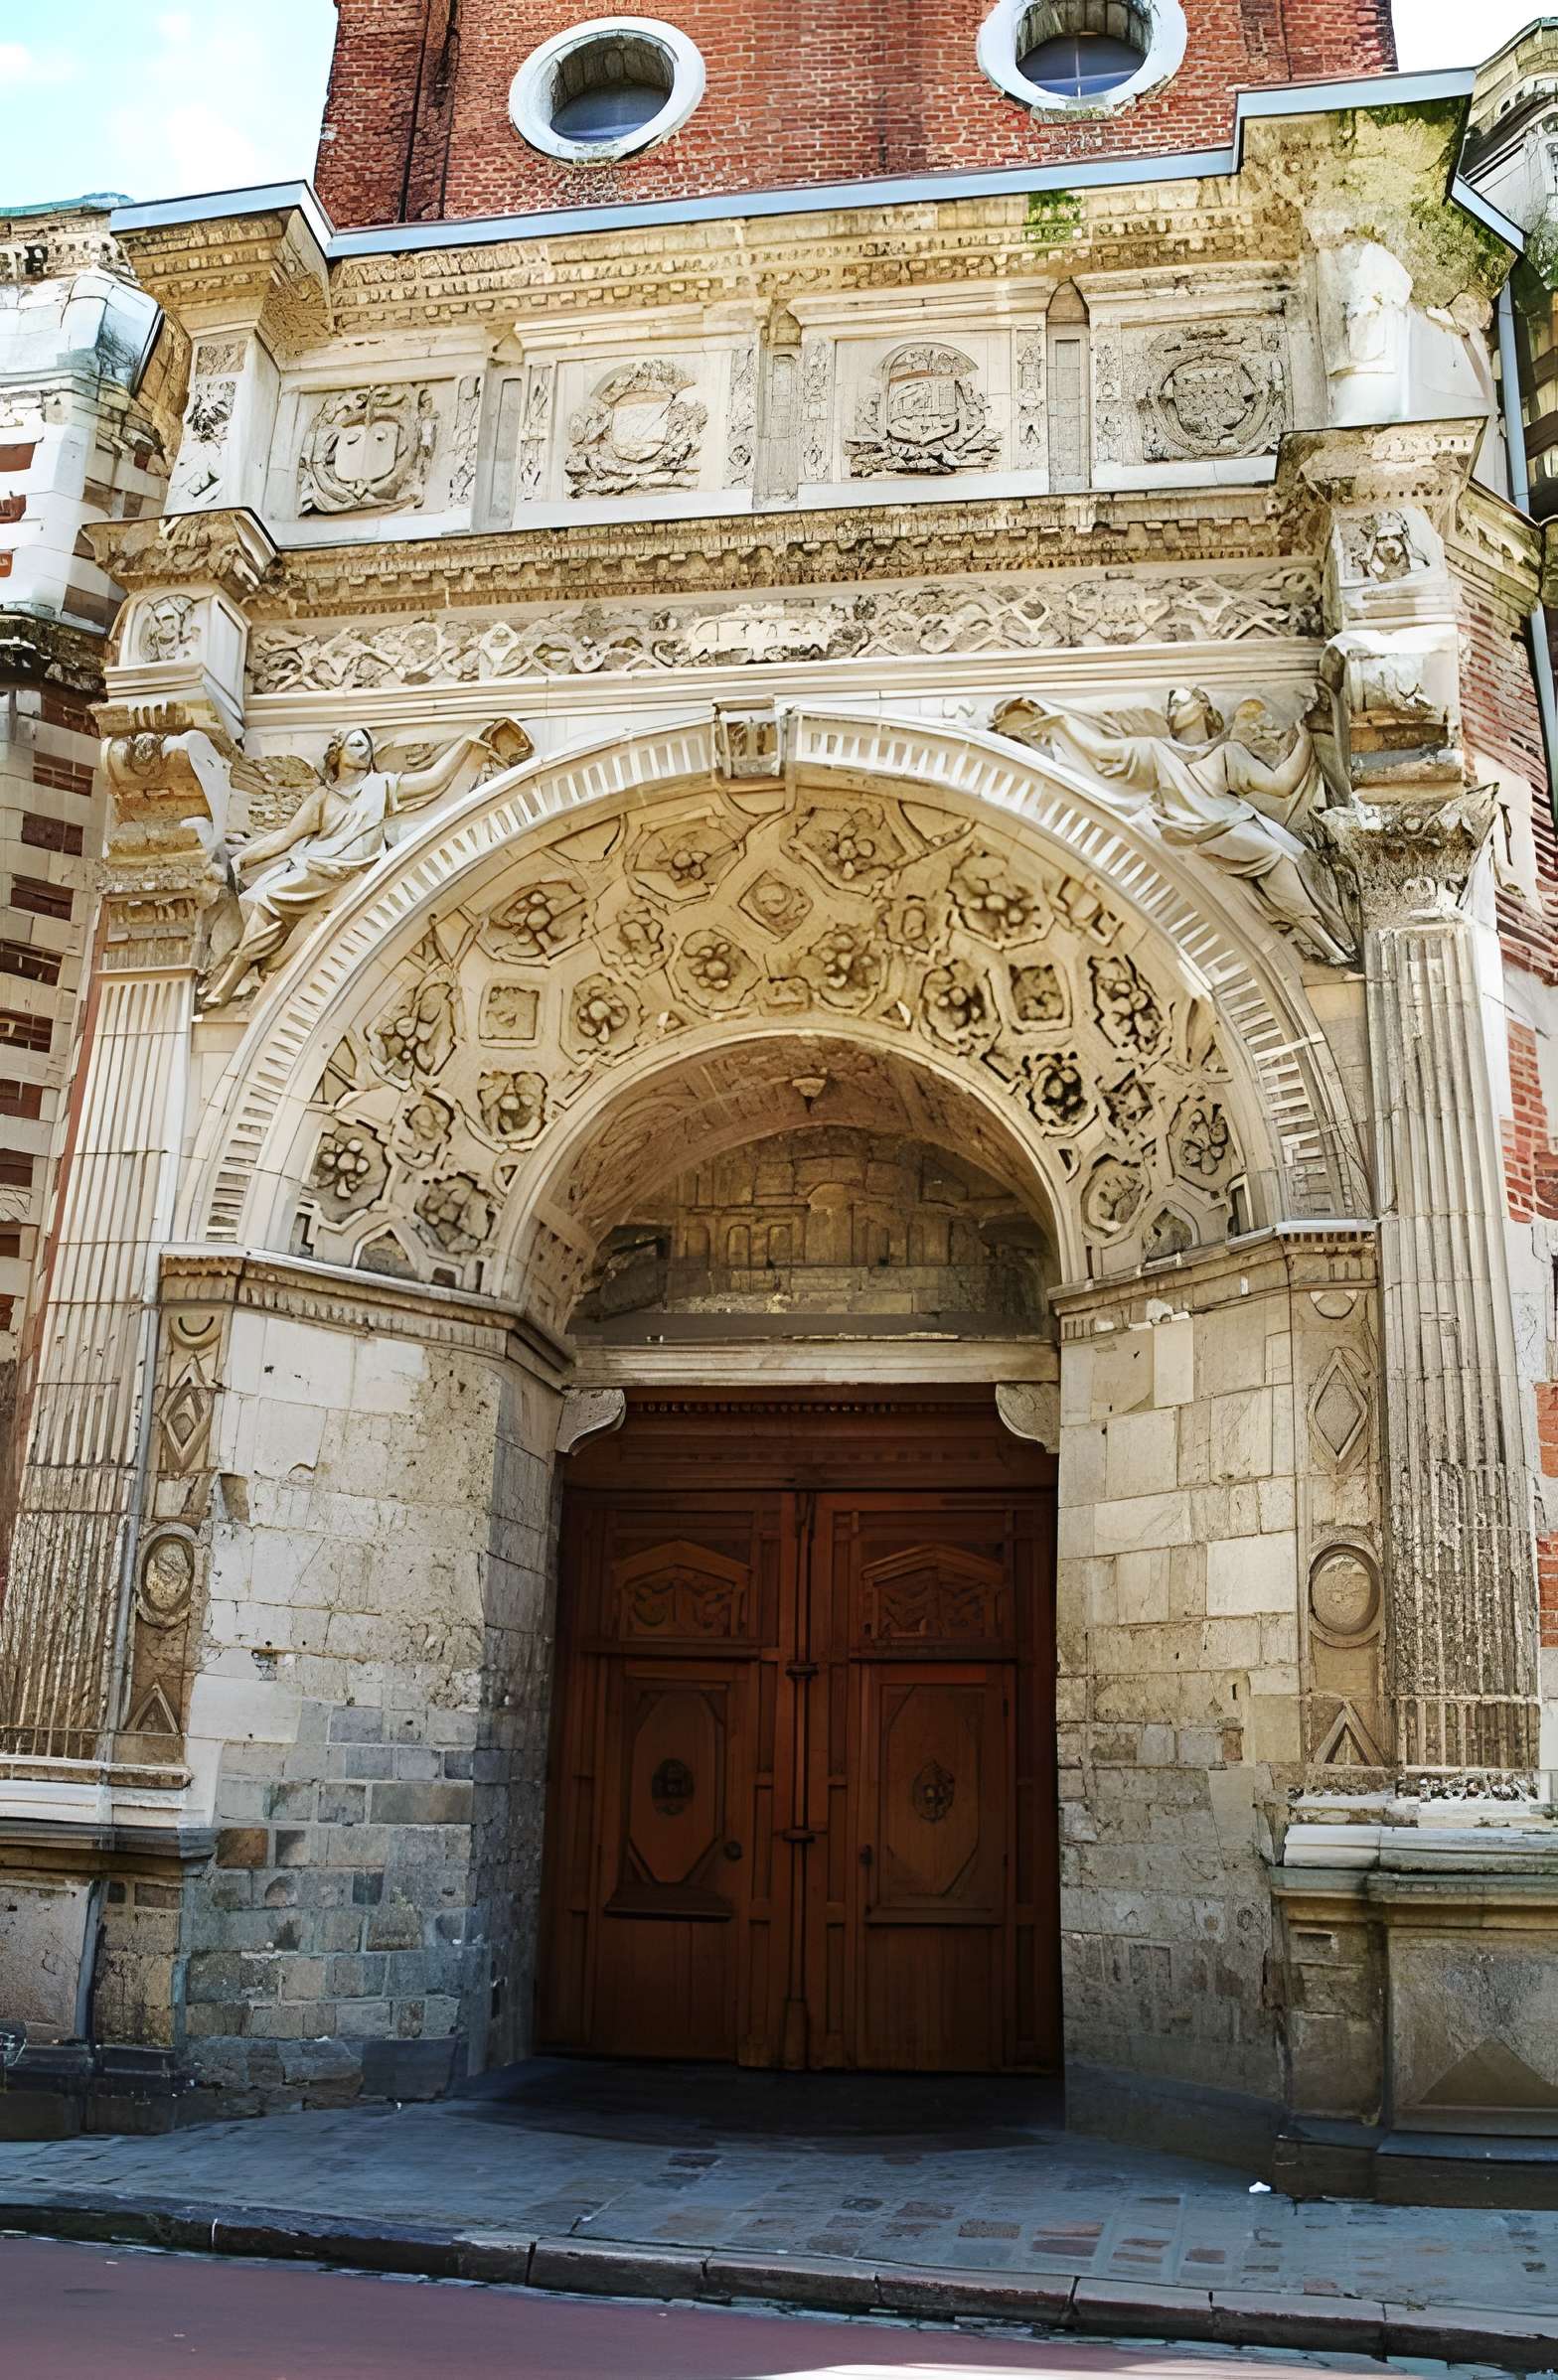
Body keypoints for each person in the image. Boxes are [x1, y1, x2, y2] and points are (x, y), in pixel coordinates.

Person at [203, 720, 525, 1006]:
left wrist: (471, 742)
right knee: (262, 901)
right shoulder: (323, 798)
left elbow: (432, 780)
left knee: (271, 902)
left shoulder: (380, 786)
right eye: (357, 744)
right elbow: (285, 838)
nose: (365, 751)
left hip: (354, 873)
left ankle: (234, 976)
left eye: (368, 746)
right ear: (337, 752)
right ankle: (234, 976)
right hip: (314, 870)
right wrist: (241, 860)